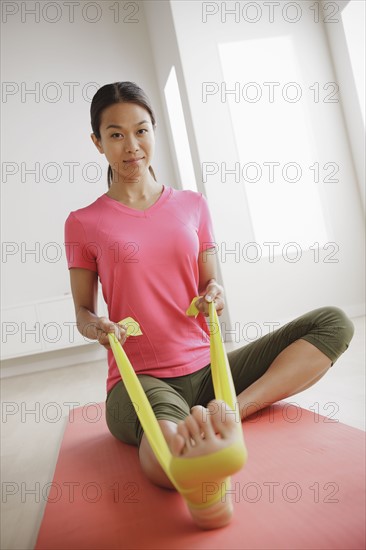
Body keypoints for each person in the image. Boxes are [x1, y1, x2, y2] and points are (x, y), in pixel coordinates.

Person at [64, 81, 354, 530]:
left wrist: (215, 293)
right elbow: (83, 313)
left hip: (207, 369)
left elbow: (211, 282)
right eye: (116, 134)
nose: (131, 146)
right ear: (97, 142)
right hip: (138, 380)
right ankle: (201, 483)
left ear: (154, 132)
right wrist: (98, 326)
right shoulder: (84, 223)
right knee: (165, 435)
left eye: (141, 130)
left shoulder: (192, 205)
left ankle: (234, 411)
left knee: (332, 323)